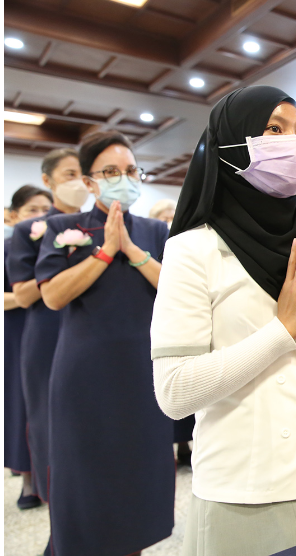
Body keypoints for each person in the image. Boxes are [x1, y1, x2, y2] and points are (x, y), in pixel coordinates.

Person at [151, 85, 296, 555]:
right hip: (246, 489)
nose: (294, 143)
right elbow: (174, 392)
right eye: (274, 129)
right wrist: (282, 331)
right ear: (232, 144)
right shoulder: (194, 249)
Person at [36, 131, 174, 556]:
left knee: (140, 473)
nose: (124, 179)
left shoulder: (155, 230)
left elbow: (176, 291)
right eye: (111, 171)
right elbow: (53, 295)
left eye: (131, 170)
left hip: (143, 369)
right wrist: (104, 251)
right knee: (85, 472)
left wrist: (131, 251)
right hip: (85, 371)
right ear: (90, 182)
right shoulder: (64, 228)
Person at [8, 149, 84, 516]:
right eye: (70, 173)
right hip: (47, 333)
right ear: (48, 180)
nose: (79, 181)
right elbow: (23, 294)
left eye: (83, 173)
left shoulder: (102, 226)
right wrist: (66, 275)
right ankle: (57, 514)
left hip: (92, 331)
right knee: (48, 425)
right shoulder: (29, 231)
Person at [5, 184, 54, 511]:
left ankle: (50, 478)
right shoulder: (9, 247)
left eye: (45, 210)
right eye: (31, 210)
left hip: (52, 327)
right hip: (17, 329)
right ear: (12, 216)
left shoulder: (59, 244)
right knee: (22, 405)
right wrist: (44, 287)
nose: (40, 217)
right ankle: (27, 480)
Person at [148, 197, 194, 463]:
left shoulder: (188, 244)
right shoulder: (150, 243)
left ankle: (185, 444)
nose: (168, 221)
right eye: (163, 217)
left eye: (172, 216)